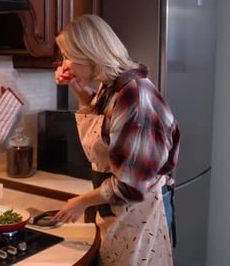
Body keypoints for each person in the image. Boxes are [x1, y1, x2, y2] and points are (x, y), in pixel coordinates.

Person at [52, 14, 180, 266]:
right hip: (120, 210)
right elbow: (109, 122)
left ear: (90, 54)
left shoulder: (135, 97)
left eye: (69, 57)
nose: (64, 66)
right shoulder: (111, 86)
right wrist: (78, 89)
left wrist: (81, 202)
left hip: (141, 210)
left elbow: (131, 185)